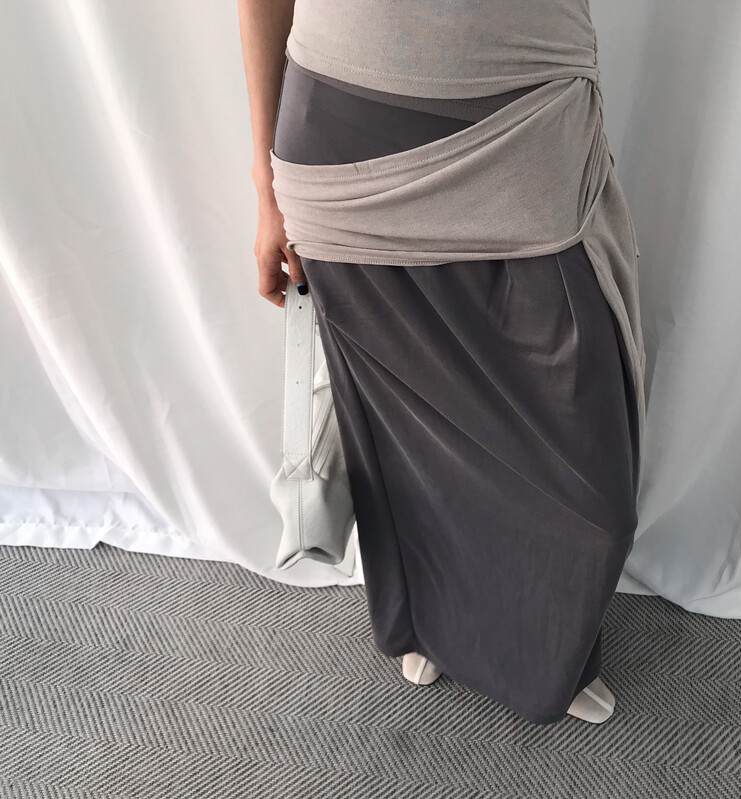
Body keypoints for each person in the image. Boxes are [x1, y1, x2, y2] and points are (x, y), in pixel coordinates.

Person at [238, 0, 641, 725]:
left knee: (587, 475)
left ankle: (548, 640)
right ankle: (434, 624)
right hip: (343, 133)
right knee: (403, 435)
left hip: (526, 124)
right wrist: (266, 191)